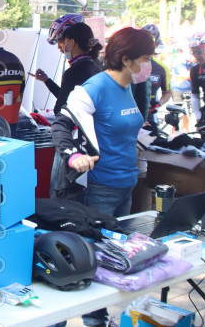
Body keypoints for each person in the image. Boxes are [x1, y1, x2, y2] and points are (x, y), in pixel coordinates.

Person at [51, 27, 155, 327]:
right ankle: (90, 320)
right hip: (100, 188)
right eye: (145, 59)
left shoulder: (129, 87)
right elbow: (60, 125)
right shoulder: (95, 87)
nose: (148, 65)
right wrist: (73, 155)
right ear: (126, 59)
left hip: (126, 186)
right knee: (92, 259)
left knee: (115, 259)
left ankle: (102, 317)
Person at [29, 15, 102, 196]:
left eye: (62, 42)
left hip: (73, 139)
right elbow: (67, 96)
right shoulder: (95, 66)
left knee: (61, 189)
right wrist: (47, 81)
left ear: (72, 42)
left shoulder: (75, 70)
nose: (60, 47)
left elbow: (61, 107)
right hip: (91, 140)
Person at [142, 25, 172, 134]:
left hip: (150, 116)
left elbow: (167, 92)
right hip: (131, 115)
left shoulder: (162, 68)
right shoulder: (128, 63)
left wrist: (158, 105)